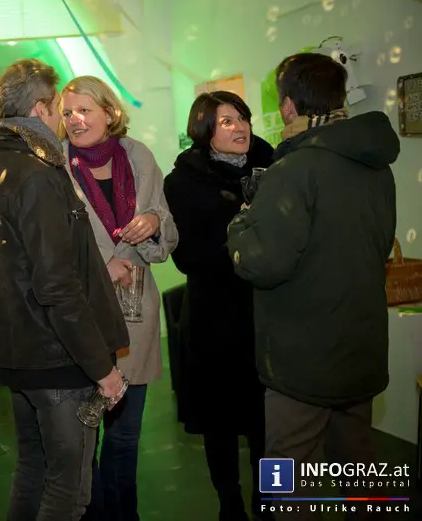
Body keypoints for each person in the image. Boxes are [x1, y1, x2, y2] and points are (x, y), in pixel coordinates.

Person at [227, 53, 399, 521]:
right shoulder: (375, 166)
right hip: (359, 347)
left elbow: (263, 263)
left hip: (300, 362)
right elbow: (380, 245)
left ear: (288, 107)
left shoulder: (293, 169)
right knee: (358, 467)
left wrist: (240, 224)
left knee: (286, 483)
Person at [0, 59, 130, 521]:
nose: (62, 117)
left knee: (34, 471)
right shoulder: (36, 173)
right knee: (69, 491)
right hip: (57, 359)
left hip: (19, 354)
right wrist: (101, 367)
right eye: (57, 107)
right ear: (40, 109)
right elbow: (57, 284)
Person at [60, 75, 178, 521]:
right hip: (82, 318)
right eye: (67, 112)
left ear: (109, 113)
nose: (75, 119)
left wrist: (153, 223)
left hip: (134, 314)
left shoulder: (139, 156)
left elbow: (167, 235)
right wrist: (100, 268)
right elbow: (51, 249)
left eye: (84, 110)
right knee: (82, 439)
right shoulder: (55, 166)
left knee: (125, 438)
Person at [163, 91, 275, 521]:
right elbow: (187, 257)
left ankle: (272, 502)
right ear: (204, 130)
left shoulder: (275, 166)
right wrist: (240, 231)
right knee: (221, 424)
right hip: (216, 318)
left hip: (270, 313)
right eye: (226, 120)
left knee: (272, 424)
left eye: (242, 117)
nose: (239, 126)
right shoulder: (184, 181)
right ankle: (230, 505)